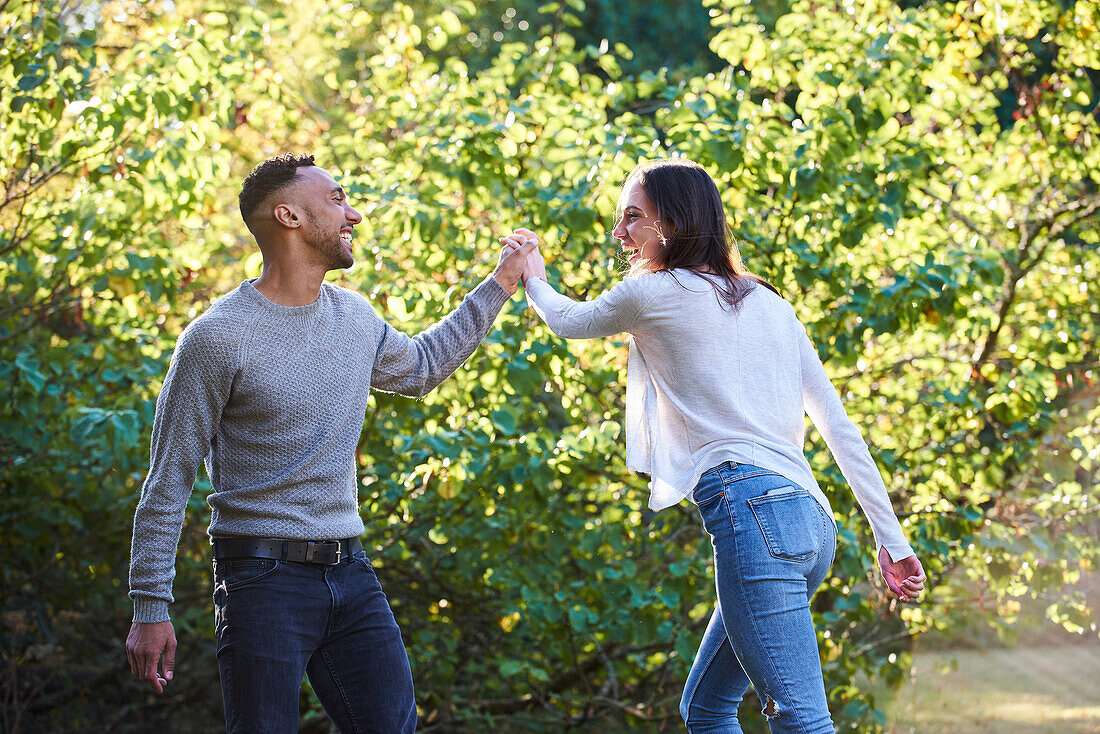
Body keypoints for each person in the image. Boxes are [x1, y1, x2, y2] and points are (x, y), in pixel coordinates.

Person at [501, 158, 926, 733]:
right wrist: (889, 538)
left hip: (755, 517)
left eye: (632, 218)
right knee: (706, 707)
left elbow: (568, 321)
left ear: (671, 222)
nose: (619, 234)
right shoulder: (773, 304)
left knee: (803, 719)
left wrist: (533, 274)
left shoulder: (655, 290)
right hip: (811, 523)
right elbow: (838, 425)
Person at [125, 153, 536, 733]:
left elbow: (422, 367)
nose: (356, 214)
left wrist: (499, 283)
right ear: (288, 216)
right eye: (338, 200)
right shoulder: (216, 339)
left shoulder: (354, 317)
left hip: (351, 572)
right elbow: (168, 481)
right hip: (259, 580)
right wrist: (149, 607)